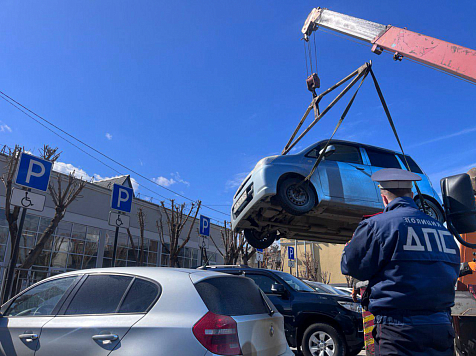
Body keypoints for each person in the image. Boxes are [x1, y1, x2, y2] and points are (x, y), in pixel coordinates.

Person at [341, 168, 460, 356]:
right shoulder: (442, 230)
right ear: (411, 195)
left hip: (399, 333)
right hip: (440, 327)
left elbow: (352, 266)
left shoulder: (376, 225)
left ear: (384, 198)